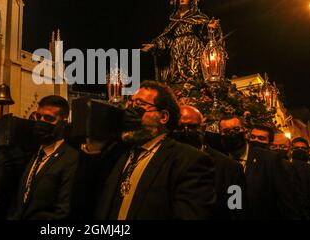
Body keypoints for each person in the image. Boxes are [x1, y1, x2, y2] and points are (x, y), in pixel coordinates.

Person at [91, 81, 216, 219]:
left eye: (139, 105)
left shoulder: (188, 161)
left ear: (163, 117)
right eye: (130, 103)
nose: (130, 111)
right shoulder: (119, 152)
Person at [172, 105, 246, 220]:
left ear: (202, 128)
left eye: (192, 126)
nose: (186, 131)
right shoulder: (163, 160)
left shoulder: (229, 168)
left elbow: (236, 210)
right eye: (180, 127)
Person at [220, 116, 302, 219]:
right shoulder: (221, 161)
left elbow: (288, 200)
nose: (232, 134)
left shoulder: (268, 160)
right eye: (226, 131)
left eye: (236, 129)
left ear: (245, 131)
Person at [141, 0, 222, 83]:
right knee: (176, 77)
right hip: (176, 51)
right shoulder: (173, 21)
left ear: (192, 0)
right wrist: (155, 45)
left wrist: (211, 28)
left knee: (194, 75)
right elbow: (167, 39)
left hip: (193, 48)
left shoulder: (199, 17)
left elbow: (206, 36)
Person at [13, 95, 79, 220]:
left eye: (48, 118)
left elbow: (63, 212)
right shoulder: (34, 153)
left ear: (63, 123)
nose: (41, 122)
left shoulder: (71, 158)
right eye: (38, 117)